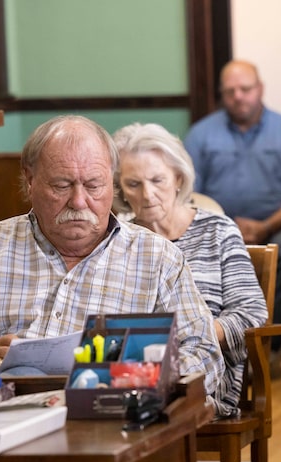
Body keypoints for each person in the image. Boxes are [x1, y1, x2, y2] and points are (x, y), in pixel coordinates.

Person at [0, 115, 224, 401]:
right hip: (1, 417)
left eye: (93, 185)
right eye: (61, 185)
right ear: (30, 180)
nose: (78, 200)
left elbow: (205, 355)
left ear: (111, 183)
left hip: (114, 423)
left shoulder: (159, 259)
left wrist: (131, 376)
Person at [112, 122, 268, 417]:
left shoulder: (217, 231)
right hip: (133, 372)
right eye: (133, 184)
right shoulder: (121, 241)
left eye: (157, 180)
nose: (147, 194)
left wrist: (193, 335)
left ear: (178, 178)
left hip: (206, 377)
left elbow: (252, 314)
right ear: (120, 188)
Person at [184, 59, 281, 330]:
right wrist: (225, 227)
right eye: (230, 91)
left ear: (260, 89)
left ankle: (267, 342)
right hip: (214, 229)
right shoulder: (201, 134)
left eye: (245, 89)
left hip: (276, 227)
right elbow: (187, 193)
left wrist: (266, 226)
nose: (238, 96)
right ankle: (209, 337)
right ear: (222, 95)